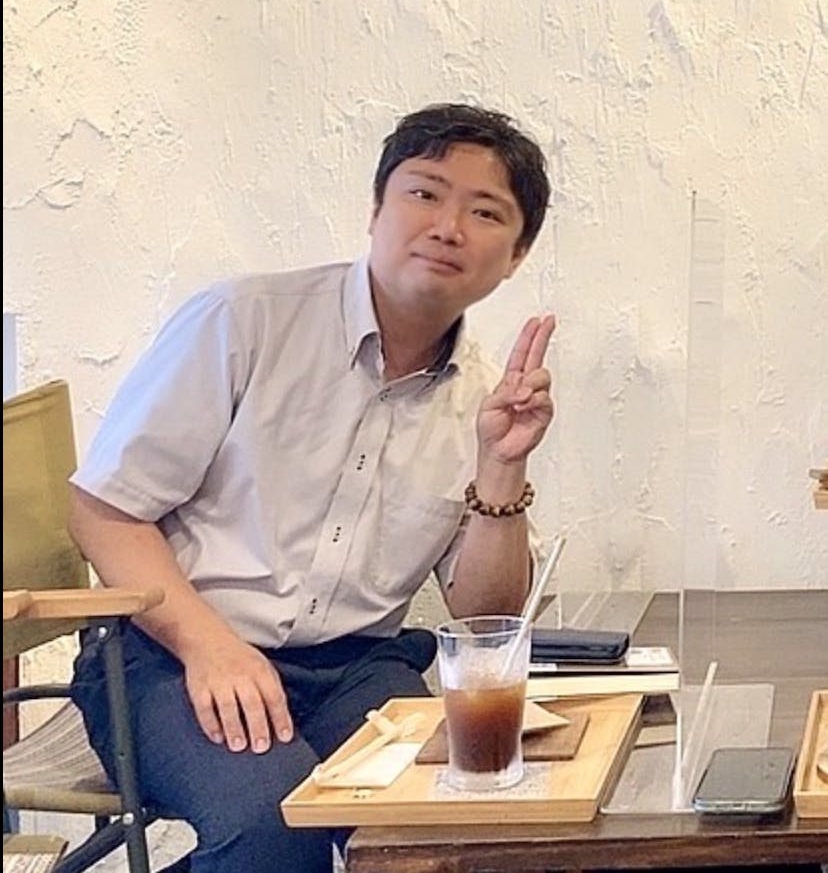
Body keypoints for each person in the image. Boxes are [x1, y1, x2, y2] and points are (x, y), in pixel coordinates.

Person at [68, 102, 556, 872]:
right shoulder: (244, 321)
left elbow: (483, 613)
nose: (447, 227)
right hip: (169, 652)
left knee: (447, 822)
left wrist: (502, 464)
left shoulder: (486, 395)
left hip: (356, 668)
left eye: (485, 211)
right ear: (375, 210)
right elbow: (103, 510)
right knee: (275, 818)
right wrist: (209, 646)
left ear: (516, 255)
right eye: (424, 193)